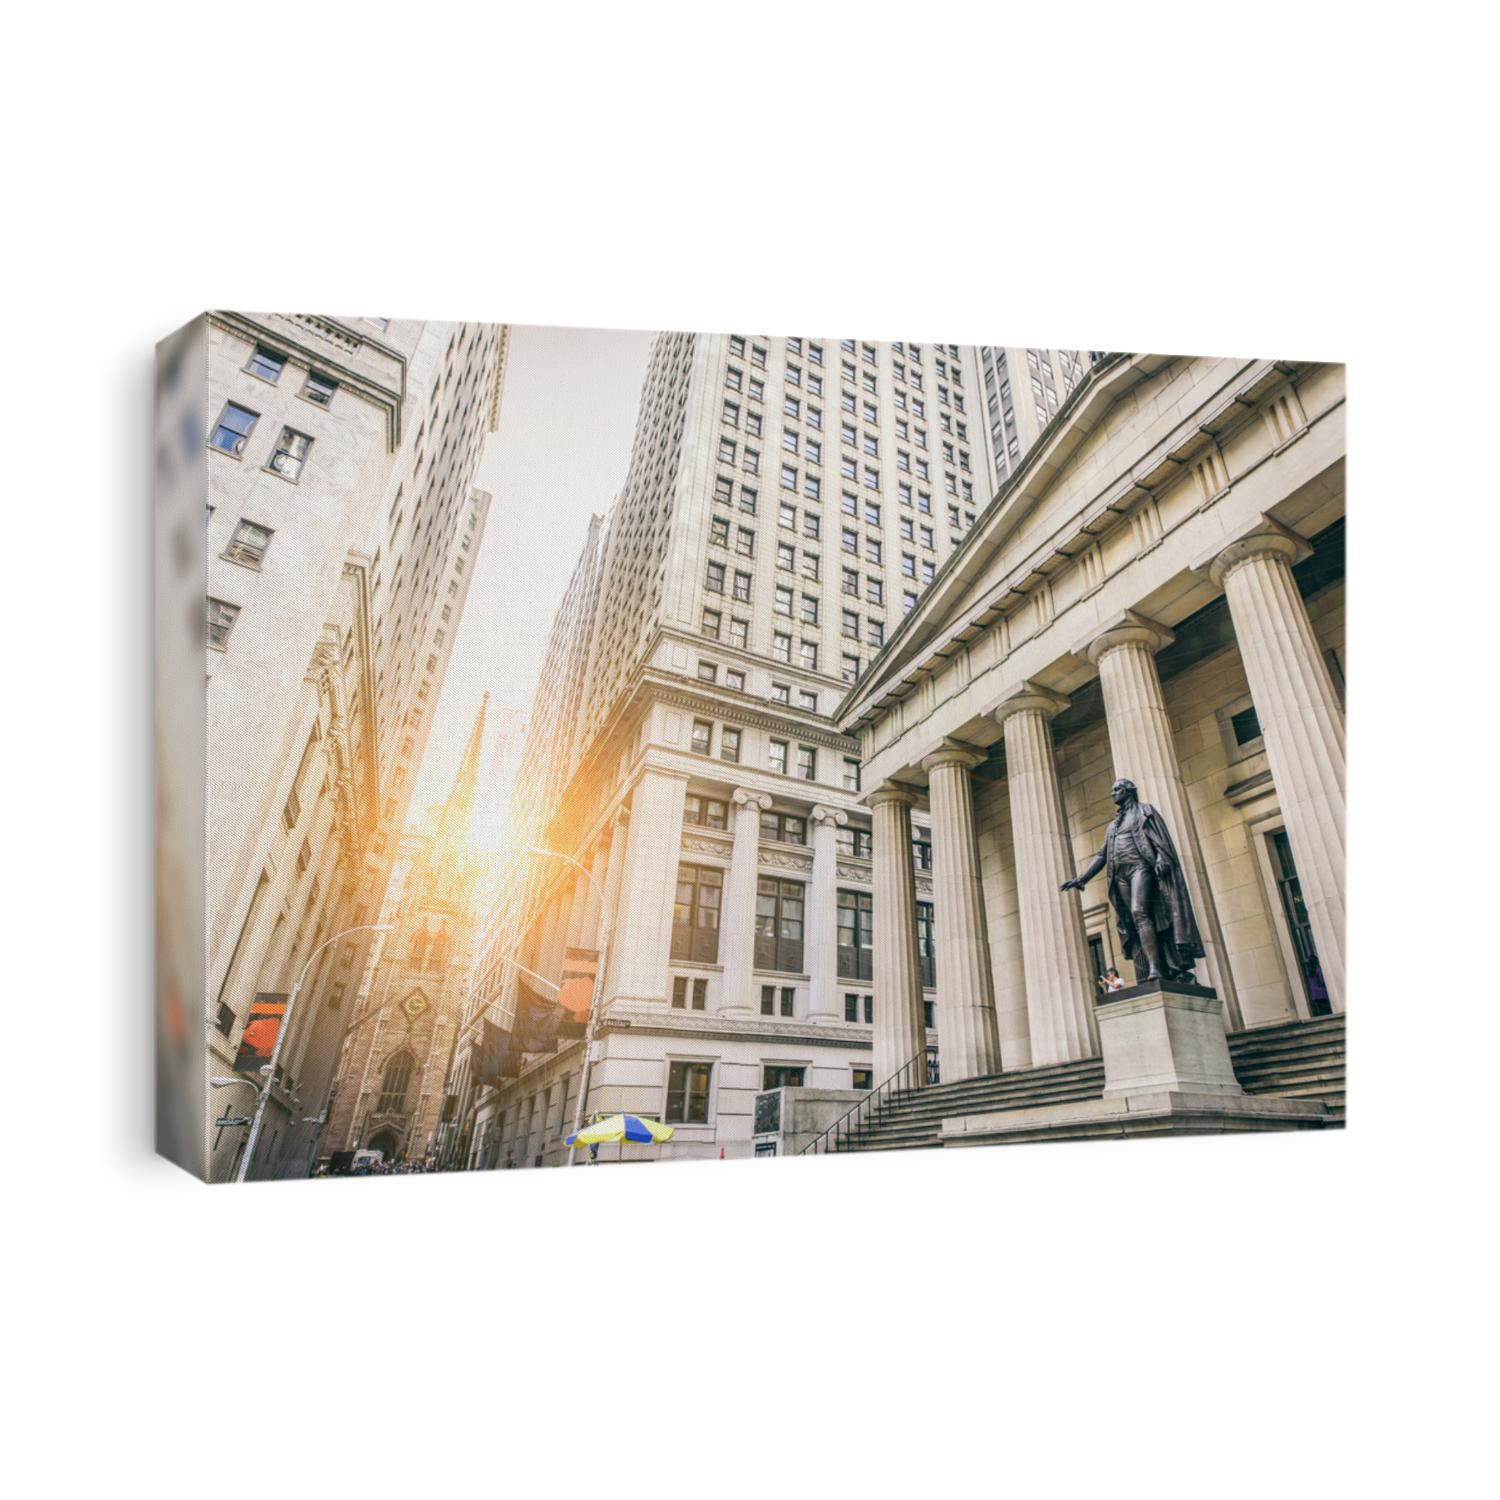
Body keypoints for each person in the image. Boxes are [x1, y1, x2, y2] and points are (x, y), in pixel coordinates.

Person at [1061, 778, 1205, 983]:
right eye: (1112, 790)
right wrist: (1082, 878)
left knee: (1140, 911)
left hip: (1141, 867)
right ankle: (1149, 968)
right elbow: (1102, 855)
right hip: (1120, 876)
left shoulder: (1145, 812)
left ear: (1130, 791)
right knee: (1133, 920)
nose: (1113, 794)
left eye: (1117, 789)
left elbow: (1160, 840)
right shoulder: (1113, 826)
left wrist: (1162, 858)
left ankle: (1156, 968)